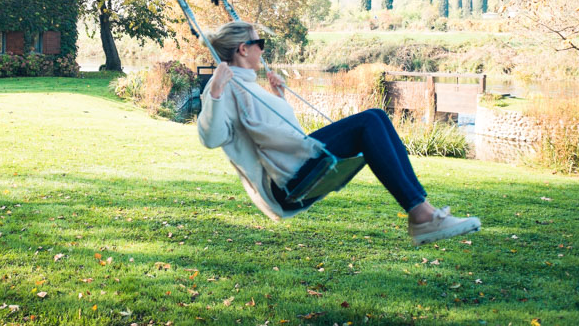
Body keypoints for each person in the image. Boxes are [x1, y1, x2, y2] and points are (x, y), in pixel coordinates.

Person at [197, 21, 481, 246]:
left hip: (295, 169)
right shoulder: (226, 85)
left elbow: (279, 135)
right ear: (243, 49)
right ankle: (422, 215)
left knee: (377, 117)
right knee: (370, 121)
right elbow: (211, 138)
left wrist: (280, 96)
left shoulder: (249, 85)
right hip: (284, 186)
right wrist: (217, 91)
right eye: (259, 43)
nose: (263, 49)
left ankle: (423, 212)